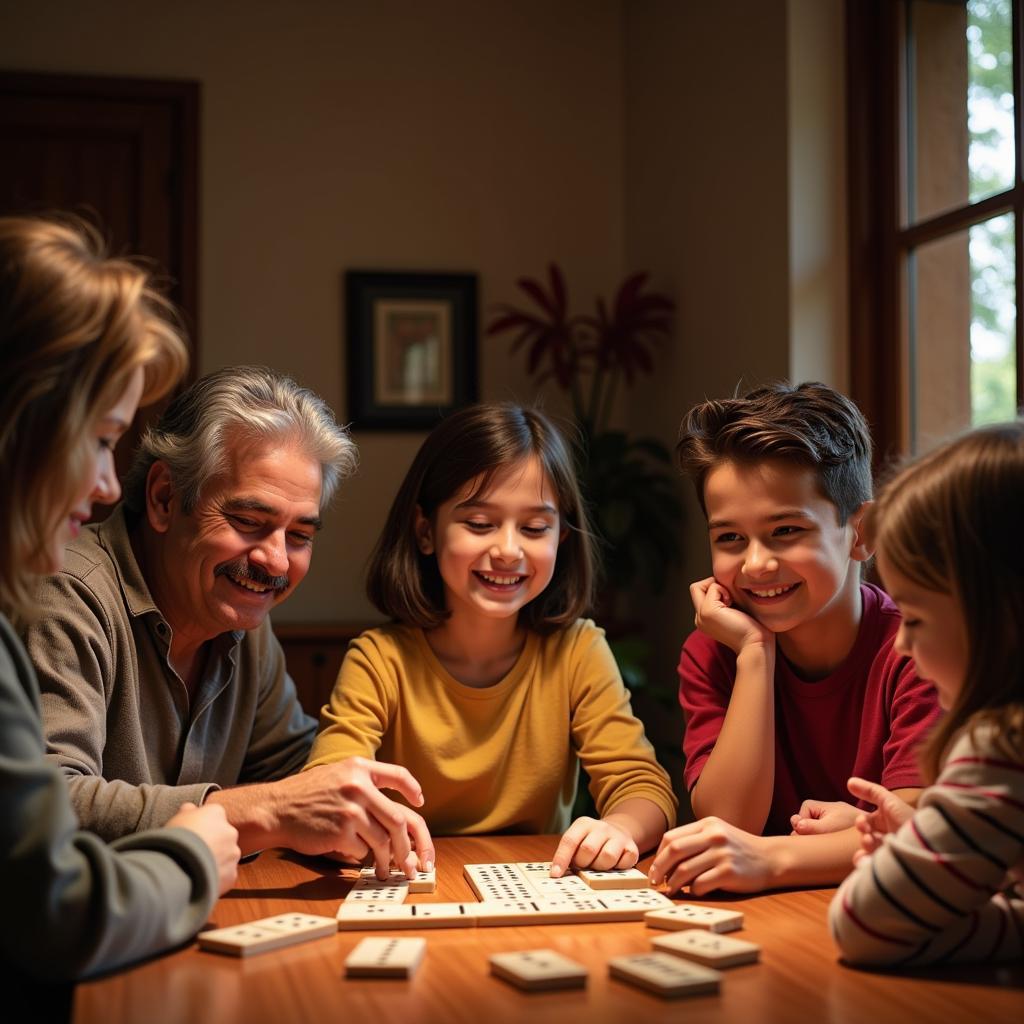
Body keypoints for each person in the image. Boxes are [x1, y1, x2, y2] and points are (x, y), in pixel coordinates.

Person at [26, 364, 433, 877]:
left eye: (301, 535)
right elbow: (46, 805)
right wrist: (261, 812)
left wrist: (346, 812)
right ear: (164, 498)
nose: (277, 562)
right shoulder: (68, 592)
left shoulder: (242, 617)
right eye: (247, 522)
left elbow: (291, 767)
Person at [0, 214, 240, 992]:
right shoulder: (62, 594)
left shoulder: (239, 613)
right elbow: (54, 908)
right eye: (100, 439)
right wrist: (196, 851)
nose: (109, 485)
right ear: (21, 428)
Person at [305, 403, 676, 875]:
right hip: (409, 886)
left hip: (539, 891)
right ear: (425, 531)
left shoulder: (577, 650)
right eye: (479, 524)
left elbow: (642, 786)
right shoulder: (380, 659)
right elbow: (327, 789)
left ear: (561, 538)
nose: (507, 550)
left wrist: (620, 827)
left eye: (535, 528)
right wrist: (354, 826)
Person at [648, 382, 941, 894]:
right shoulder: (718, 651)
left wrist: (773, 857)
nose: (756, 564)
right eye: (730, 538)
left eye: (786, 531)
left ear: (861, 533)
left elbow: (922, 831)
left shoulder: (919, 650)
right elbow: (729, 821)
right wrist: (756, 654)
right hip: (771, 922)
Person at [829, 421, 1023, 966]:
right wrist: (927, 840)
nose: (904, 646)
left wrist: (885, 877)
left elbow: (864, 926)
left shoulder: (1001, 749)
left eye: (913, 618)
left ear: (1000, 616)